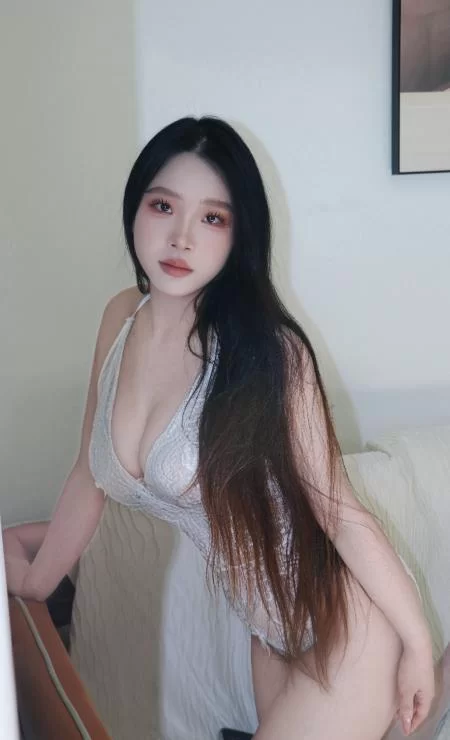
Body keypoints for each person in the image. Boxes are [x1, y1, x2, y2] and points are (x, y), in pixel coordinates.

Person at [2, 116, 448, 740]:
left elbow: (341, 512)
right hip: (266, 633)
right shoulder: (120, 318)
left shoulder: (268, 351)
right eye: (163, 206)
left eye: (212, 218)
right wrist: (34, 581)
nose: (181, 237)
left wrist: (417, 643)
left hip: (347, 623)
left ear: (239, 235)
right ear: (135, 208)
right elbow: (88, 474)